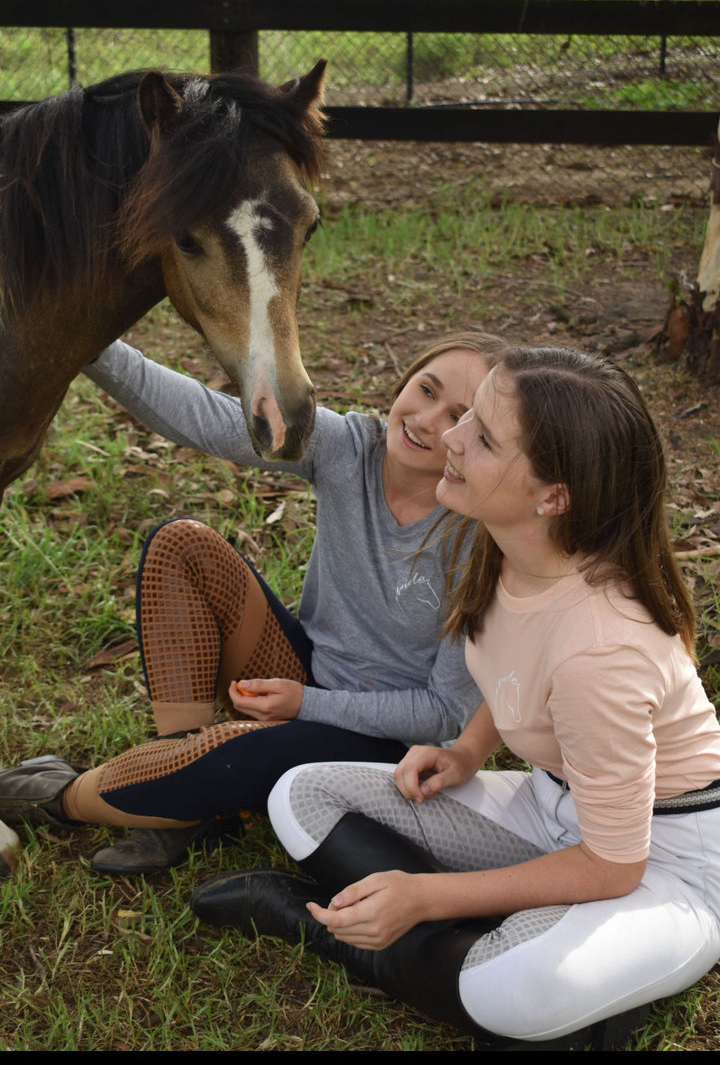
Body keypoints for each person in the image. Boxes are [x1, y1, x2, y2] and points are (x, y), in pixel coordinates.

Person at [188, 345, 720, 1050]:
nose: (453, 439)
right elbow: (514, 666)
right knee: (300, 797)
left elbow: (613, 862)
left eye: (484, 435)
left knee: (514, 994)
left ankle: (331, 933)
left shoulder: (603, 649)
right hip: (549, 805)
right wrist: (469, 748)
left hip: (662, 863)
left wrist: (426, 895)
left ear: (552, 495)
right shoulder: (510, 547)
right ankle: (515, 973)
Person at [0, 329, 503, 876]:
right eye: (426, 390)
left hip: (387, 747)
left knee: (230, 752)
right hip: (305, 672)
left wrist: (306, 706)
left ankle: (57, 795)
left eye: (458, 415)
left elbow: (441, 713)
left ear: (480, 438)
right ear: (405, 380)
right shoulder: (350, 447)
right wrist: (88, 343)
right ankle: (191, 805)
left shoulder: (484, 536)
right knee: (183, 544)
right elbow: (205, 417)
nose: (428, 420)